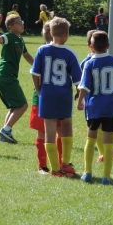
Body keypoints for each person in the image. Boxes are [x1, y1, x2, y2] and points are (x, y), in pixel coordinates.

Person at [77, 31, 113, 185]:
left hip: (94, 107)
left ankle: (87, 172)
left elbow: (84, 86)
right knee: (109, 143)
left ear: (91, 47)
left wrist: (80, 100)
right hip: (111, 108)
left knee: (90, 139)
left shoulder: (89, 63)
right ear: (108, 46)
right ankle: (106, 177)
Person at [31, 17, 82, 178]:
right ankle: (65, 163)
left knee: (49, 131)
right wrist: (79, 94)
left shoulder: (42, 50)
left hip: (47, 96)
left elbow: (34, 73)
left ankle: (54, 168)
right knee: (66, 126)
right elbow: (78, 81)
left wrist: (39, 90)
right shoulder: (70, 53)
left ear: (51, 33)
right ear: (66, 34)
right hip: (64, 96)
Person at [81, 30, 113, 163]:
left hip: (93, 102)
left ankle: (102, 153)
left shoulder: (86, 63)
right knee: (109, 126)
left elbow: (81, 84)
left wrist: (79, 97)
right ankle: (112, 149)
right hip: (110, 102)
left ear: (90, 46)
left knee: (96, 128)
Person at [0, 14, 34, 144]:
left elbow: (26, 55)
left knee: (14, 107)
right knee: (23, 105)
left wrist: (38, 67)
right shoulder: (8, 36)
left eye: (21, 21)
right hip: (6, 75)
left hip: (6, 76)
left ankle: (4, 135)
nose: (21, 24)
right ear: (10, 27)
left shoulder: (20, 39)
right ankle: (5, 130)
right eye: (18, 22)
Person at [29, 21, 63, 175]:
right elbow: (35, 73)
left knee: (57, 132)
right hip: (44, 99)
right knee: (49, 132)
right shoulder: (43, 51)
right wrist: (38, 91)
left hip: (54, 98)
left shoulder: (61, 51)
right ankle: (44, 165)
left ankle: (58, 164)